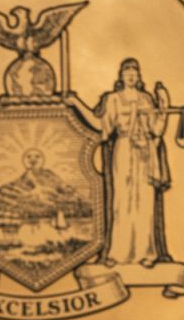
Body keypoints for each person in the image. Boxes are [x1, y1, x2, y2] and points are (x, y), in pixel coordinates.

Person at [67, 58, 171, 268]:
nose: (131, 76)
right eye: (127, 72)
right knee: (121, 202)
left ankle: (147, 252)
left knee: (145, 202)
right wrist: (76, 103)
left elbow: (157, 130)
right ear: (121, 76)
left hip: (144, 153)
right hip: (123, 150)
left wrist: (164, 108)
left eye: (135, 72)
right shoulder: (113, 99)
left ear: (139, 77)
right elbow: (101, 127)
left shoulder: (146, 99)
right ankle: (118, 253)